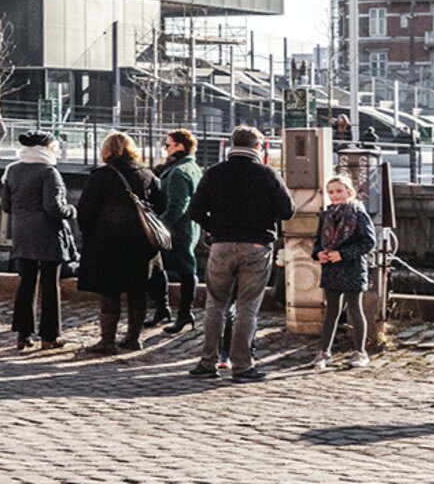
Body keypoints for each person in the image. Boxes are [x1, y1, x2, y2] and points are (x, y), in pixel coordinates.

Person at [187, 125, 295, 382]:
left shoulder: (214, 173)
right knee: (247, 306)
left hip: (221, 245)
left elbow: (195, 211)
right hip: (256, 245)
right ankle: (242, 366)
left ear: (231, 144)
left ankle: (207, 362)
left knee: (215, 305)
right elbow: (287, 210)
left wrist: (216, 229)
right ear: (258, 147)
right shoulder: (267, 174)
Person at [75, 131, 165, 355]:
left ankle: (107, 341)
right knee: (138, 290)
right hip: (142, 244)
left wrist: (91, 235)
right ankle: (133, 338)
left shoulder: (102, 176)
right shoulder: (147, 174)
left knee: (110, 291)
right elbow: (160, 206)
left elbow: (85, 211)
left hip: (109, 243)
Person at [2, 131, 77, 351]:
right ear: (45, 148)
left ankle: (23, 336)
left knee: (26, 284)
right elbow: (53, 207)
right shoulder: (48, 172)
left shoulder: (12, 170)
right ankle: (50, 336)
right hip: (47, 235)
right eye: (53, 146)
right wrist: (71, 211)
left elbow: (6, 205)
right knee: (49, 286)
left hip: (22, 235)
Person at [313, 173, 379, 369]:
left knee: (355, 308)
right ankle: (325, 352)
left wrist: (342, 254)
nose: (335, 195)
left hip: (352, 267)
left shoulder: (358, 213)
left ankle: (360, 352)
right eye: (331, 192)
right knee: (331, 311)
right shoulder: (326, 215)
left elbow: (368, 241)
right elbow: (317, 241)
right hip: (331, 268)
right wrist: (318, 255)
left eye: (339, 191)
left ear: (349, 192)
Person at [155, 130, 204, 334]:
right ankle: (171, 311)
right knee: (182, 268)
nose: (165, 149)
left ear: (180, 147)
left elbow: (177, 206)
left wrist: (158, 227)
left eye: (168, 145)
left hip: (177, 230)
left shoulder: (178, 172)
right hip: (188, 227)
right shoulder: (192, 167)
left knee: (183, 269)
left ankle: (182, 313)